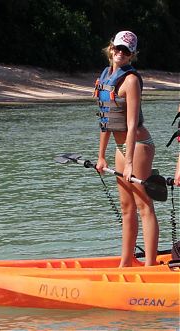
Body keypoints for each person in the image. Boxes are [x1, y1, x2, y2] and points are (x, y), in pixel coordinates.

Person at [95, 31, 159, 267]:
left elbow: (131, 125)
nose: (120, 53)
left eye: (126, 51)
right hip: (120, 148)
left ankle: (151, 266)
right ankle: (126, 262)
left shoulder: (130, 81)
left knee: (144, 205)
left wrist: (130, 162)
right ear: (111, 48)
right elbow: (106, 121)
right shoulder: (105, 77)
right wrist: (101, 156)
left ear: (132, 55)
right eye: (118, 48)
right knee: (126, 207)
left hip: (139, 146)